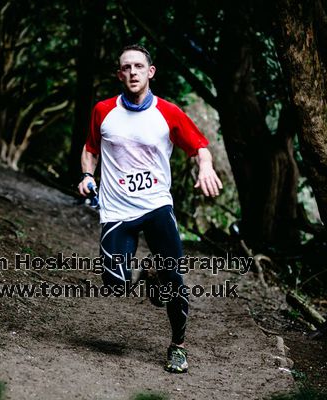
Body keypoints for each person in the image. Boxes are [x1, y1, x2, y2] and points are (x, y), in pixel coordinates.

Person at [77, 44, 222, 373]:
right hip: (117, 211)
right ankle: (146, 274)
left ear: (150, 72)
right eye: (126, 68)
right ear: (119, 74)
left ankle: (178, 346)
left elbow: (200, 147)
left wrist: (205, 168)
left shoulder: (168, 113)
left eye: (138, 67)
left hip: (156, 205)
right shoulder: (103, 110)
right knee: (116, 284)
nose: (132, 73)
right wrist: (87, 174)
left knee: (173, 278)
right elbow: (90, 149)